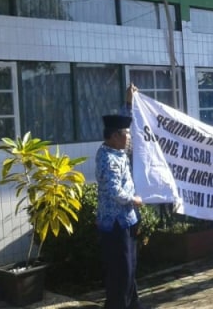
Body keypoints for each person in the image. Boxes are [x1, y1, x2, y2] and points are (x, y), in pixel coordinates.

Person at [96, 115, 144, 309]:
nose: (130, 137)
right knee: (121, 272)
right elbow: (115, 190)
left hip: (127, 220)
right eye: (127, 134)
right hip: (115, 223)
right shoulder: (107, 157)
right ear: (115, 136)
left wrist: (129, 103)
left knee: (130, 269)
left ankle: (132, 305)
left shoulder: (118, 151)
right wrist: (134, 199)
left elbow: (126, 120)